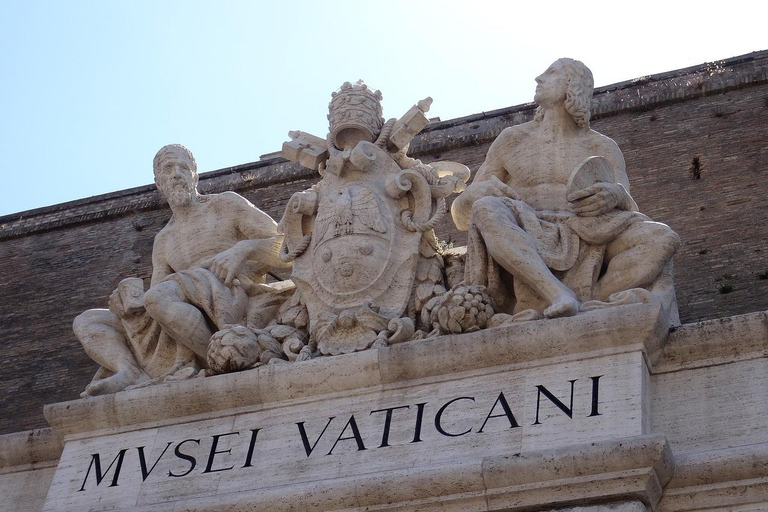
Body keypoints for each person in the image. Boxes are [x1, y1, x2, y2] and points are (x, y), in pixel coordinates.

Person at [451, 58, 680, 319]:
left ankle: (589, 300)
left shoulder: (601, 147)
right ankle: (556, 293)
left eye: (551, 73)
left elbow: (629, 204)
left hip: (587, 232)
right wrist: (472, 194)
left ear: (574, 86)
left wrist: (613, 195)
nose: (538, 78)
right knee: (485, 208)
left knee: (663, 238)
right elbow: (461, 216)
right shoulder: (512, 140)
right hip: (526, 228)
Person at [75, 144, 290, 396]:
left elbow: (288, 248)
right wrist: (126, 305)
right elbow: (156, 298)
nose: (176, 173)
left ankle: (220, 360)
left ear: (195, 175)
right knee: (88, 321)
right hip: (179, 309)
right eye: (168, 169)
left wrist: (243, 250)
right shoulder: (163, 240)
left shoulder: (226, 205)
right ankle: (130, 370)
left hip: (229, 296)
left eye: (183, 167)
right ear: (158, 183)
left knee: (158, 297)